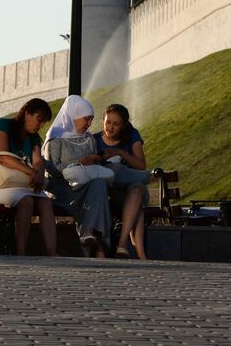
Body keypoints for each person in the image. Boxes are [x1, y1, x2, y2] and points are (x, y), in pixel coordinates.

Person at [0, 97, 57, 256]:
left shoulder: (34, 138)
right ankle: (21, 252)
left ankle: (52, 252)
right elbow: (2, 157)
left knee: (46, 202)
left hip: (20, 185)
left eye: (44, 123)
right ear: (27, 114)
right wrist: (31, 172)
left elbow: (38, 161)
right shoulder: (2, 125)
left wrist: (39, 172)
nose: (40, 125)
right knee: (27, 201)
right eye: (39, 119)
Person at [43, 95, 113, 258]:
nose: (89, 124)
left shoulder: (88, 139)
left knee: (99, 185)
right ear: (73, 116)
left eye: (91, 120)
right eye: (86, 119)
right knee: (97, 194)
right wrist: (79, 163)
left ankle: (88, 234)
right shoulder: (55, 139)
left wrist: (96, 160)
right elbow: (52, 169)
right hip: (63, 189)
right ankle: (100, 247)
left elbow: (95, 167)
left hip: (87, 186)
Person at [96, 103, 150, 259]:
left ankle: (122, 242)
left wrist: (120, 152)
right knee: (136, 198)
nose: (110, 127)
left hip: (129, 190)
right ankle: (139, 253)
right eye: (108, 122)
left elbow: (141, 165)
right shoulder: (94, 140)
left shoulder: (132, 135)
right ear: (103, 121)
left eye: (116, 124)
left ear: (124, 125)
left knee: (137, 190)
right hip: (108, 194)